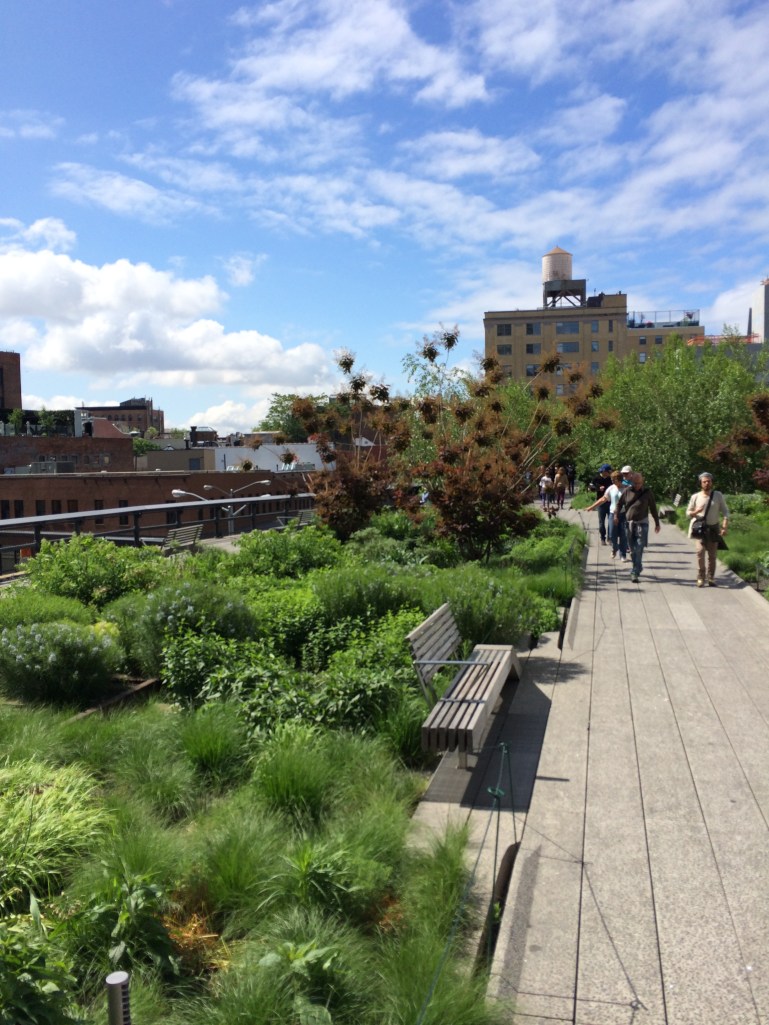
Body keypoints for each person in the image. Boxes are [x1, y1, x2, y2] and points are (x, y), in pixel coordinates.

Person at [615, 472, 661, 583]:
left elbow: (653, 508)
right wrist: (616, 515)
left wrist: (657, 523)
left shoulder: (647, 493)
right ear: (632, 482)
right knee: (632, 549)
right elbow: (619, 504)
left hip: (642, 523)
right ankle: (638, 566)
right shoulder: (627, 491)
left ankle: (634, 572)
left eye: (639, 483)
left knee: (639, 547)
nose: (637, 485)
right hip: (629, 524)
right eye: (635, 483)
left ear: (643, 481)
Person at [686, 472, 729, 587]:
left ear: (712, 482)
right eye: (704, 481)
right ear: (700, 483)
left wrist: (724, 526)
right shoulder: (695, 497)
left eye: (708, 481)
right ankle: (701, 577)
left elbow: (726, 511)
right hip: (700, 528)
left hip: (713, 528)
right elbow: (688, 513)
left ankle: (711, 577)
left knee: (712, 555)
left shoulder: (718, 495)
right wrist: (696, 512)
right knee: (700, 552)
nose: (706, 483)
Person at [585, 470, 628, 560]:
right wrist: (591, 507)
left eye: (614, 480)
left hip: (624, 514)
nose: (612, 481)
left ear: (619, 480)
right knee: (612, 534)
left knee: (624, 534)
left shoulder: (627, 488)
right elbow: (603, 499)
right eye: (612, 480)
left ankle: (623, 554)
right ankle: (614, 549)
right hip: (613, 513)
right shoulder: (611, 488)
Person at [588, 463, 613, 544]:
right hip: (601, 503)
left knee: (611, 521)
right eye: (608, 471)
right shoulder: (596, 478)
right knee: (601, 522)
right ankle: (603, 538)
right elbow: (590, 488)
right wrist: (598, 488)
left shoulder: (611, 479)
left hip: (610, 502)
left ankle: (610, 537)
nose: (609, 472)